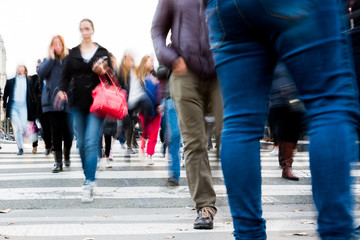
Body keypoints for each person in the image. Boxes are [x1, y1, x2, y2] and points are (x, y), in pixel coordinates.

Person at [206, 0, 359, 239]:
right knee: (327, 107)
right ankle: (336, 233)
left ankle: (248, 235)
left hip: (225, 8)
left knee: (239, 123)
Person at [151, 0, 223, 229]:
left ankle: (244, 197)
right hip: (185, 70)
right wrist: (170, 58)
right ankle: (205, 205)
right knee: (194, 141)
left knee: (230, 133)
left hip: (222, 67)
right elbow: (157, 30)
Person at [54, 19, 112, 203]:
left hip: (97, 102)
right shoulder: (73, 53)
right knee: (80, 144)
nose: (85, 32)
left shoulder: (102, 52)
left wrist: (102, 71)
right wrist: (61, 90)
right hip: (77, 102)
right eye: (82, 29)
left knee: (90, 141)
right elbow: (64, 77)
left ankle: (89, 181)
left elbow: (112, 79)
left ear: (93, 30)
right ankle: (89, 175)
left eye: (87, 29)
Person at [38, 35, 74, 173]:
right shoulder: (48, 61)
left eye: (59, 43)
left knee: (69, 132)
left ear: (63, 45)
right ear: (51, 47)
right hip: (52, 102)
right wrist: (51, 58)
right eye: (54, 44)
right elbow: (41, 73)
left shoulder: (69, 60)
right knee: (56, 132)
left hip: (68, 100)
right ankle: (58, 161)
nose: (57, 46)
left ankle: (67, 155)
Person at [268, 62, 307, 181]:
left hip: (290, 98)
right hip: (277, 99)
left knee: (290, 131)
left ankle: (286, 165)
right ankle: (286, 164)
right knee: (283, 131)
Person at [3, 65, 36, 155]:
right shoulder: (10, 81)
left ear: (25, 71)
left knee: (25, 127)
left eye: (21, 68)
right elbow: (5, 95)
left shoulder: (28, 81)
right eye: (18, 68)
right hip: (14, 107)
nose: (19, 69)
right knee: (16, 129)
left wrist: (35, 104)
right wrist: (5, 106)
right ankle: (20, 148)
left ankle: (25, 138)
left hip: (24, 107)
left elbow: (32, 94)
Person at [135, 56, 162, 165]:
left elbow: (160, 92)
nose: (152, 63)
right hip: (145, 109)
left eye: (153, 61)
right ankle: (142, 146)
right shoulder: (140, 77)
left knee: (154, 132)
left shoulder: (156, 76)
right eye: (150, 61)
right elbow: (142, 92)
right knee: (148, 130)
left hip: (157, 109)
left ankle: (150, 155)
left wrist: (160, 104)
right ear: (144, 63)